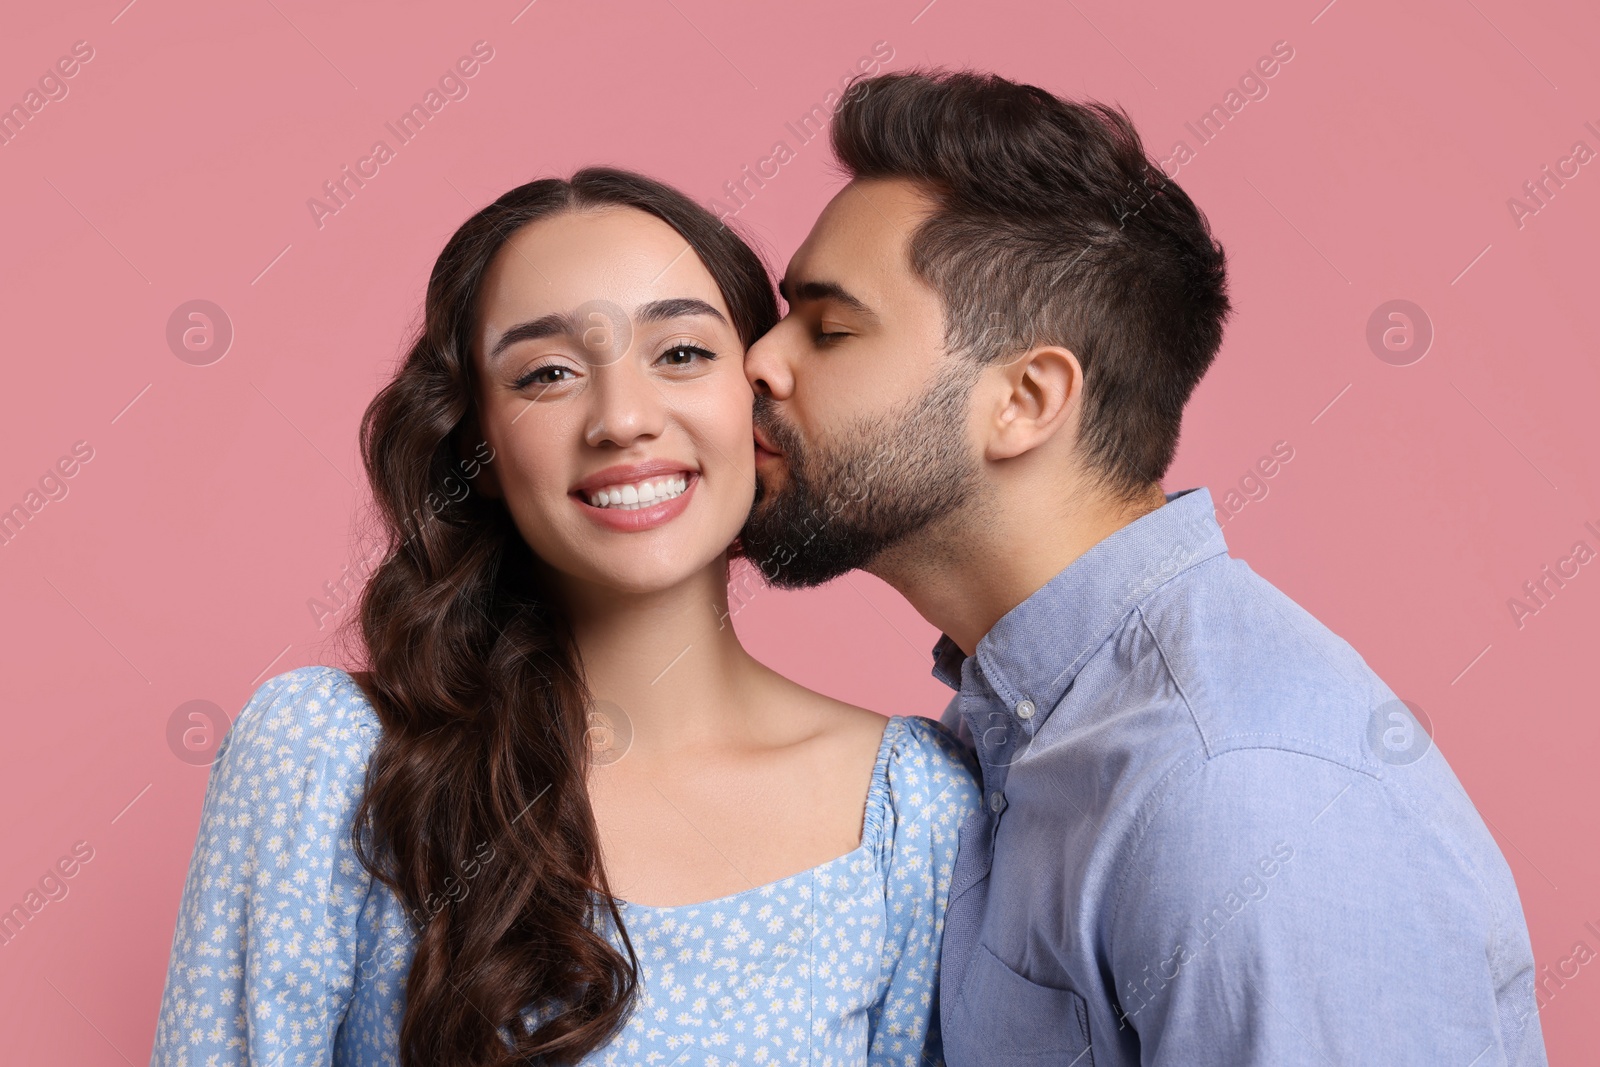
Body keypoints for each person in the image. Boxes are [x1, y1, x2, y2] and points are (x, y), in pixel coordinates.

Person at [739, 70, 1548, 1066]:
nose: (757, 362)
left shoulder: (1240, 787)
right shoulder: (1023, 739)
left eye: (828, 328)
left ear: (1026, 399)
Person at [148, 167, 980, 1067]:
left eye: (683, 353)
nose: (622, 419)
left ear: (762, 395)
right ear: (479, 446)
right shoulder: (328, 758)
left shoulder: (910, 809)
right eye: (547, 373)